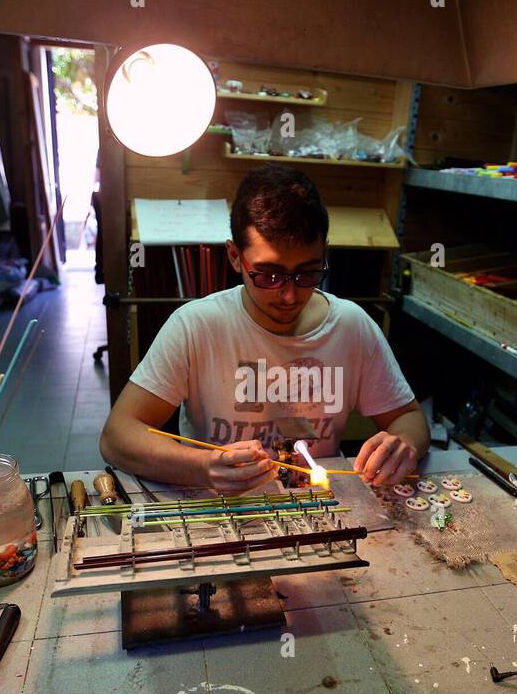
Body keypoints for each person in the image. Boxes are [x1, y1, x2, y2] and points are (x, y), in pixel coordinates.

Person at [101, 164, 429, 493]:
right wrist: (203, 467)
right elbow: (117, 437)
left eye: (307, 273)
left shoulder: (351, 326)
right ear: (234, 256)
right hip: (224, 512)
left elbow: (410, 418)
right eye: (269, 275)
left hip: (316, 510)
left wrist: (404, 446)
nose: (289, 295)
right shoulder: (197, 326)